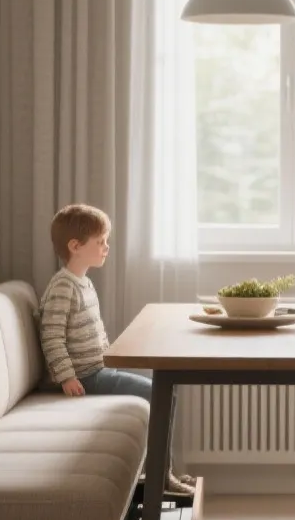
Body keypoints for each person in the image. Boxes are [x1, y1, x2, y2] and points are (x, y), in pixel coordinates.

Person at [40, 203, 195, 496]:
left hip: (98, 369)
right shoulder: (63, 287)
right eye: (100, 242)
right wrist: (67, 376)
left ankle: (159, 472)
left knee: (163, 388)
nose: (106, 247)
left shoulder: (83, 283)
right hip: (86, 377)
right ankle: (161, 476)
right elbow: (51, 336)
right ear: (75, 246)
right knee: (160, 392)